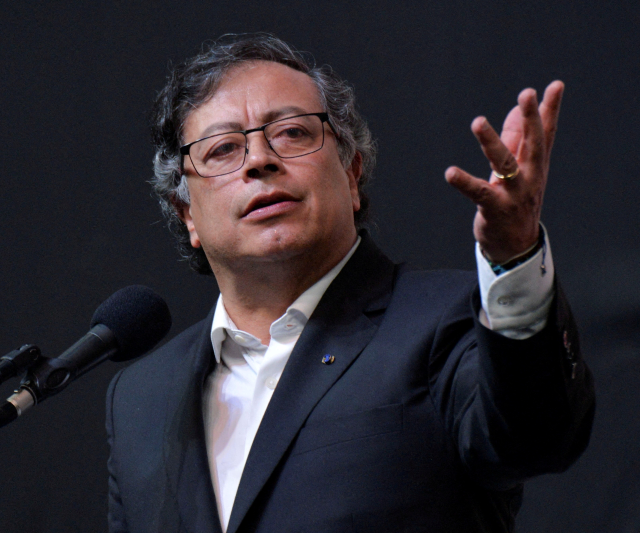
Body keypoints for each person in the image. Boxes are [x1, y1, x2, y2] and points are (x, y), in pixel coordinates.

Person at [106, 34, 595, 533]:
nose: (258, 160)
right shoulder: (140, 397)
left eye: (292, 132)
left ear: (352, 174)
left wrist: (515, 257)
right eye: (223, 148)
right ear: (187, 213)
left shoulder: (449, 319)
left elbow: (536, 440)